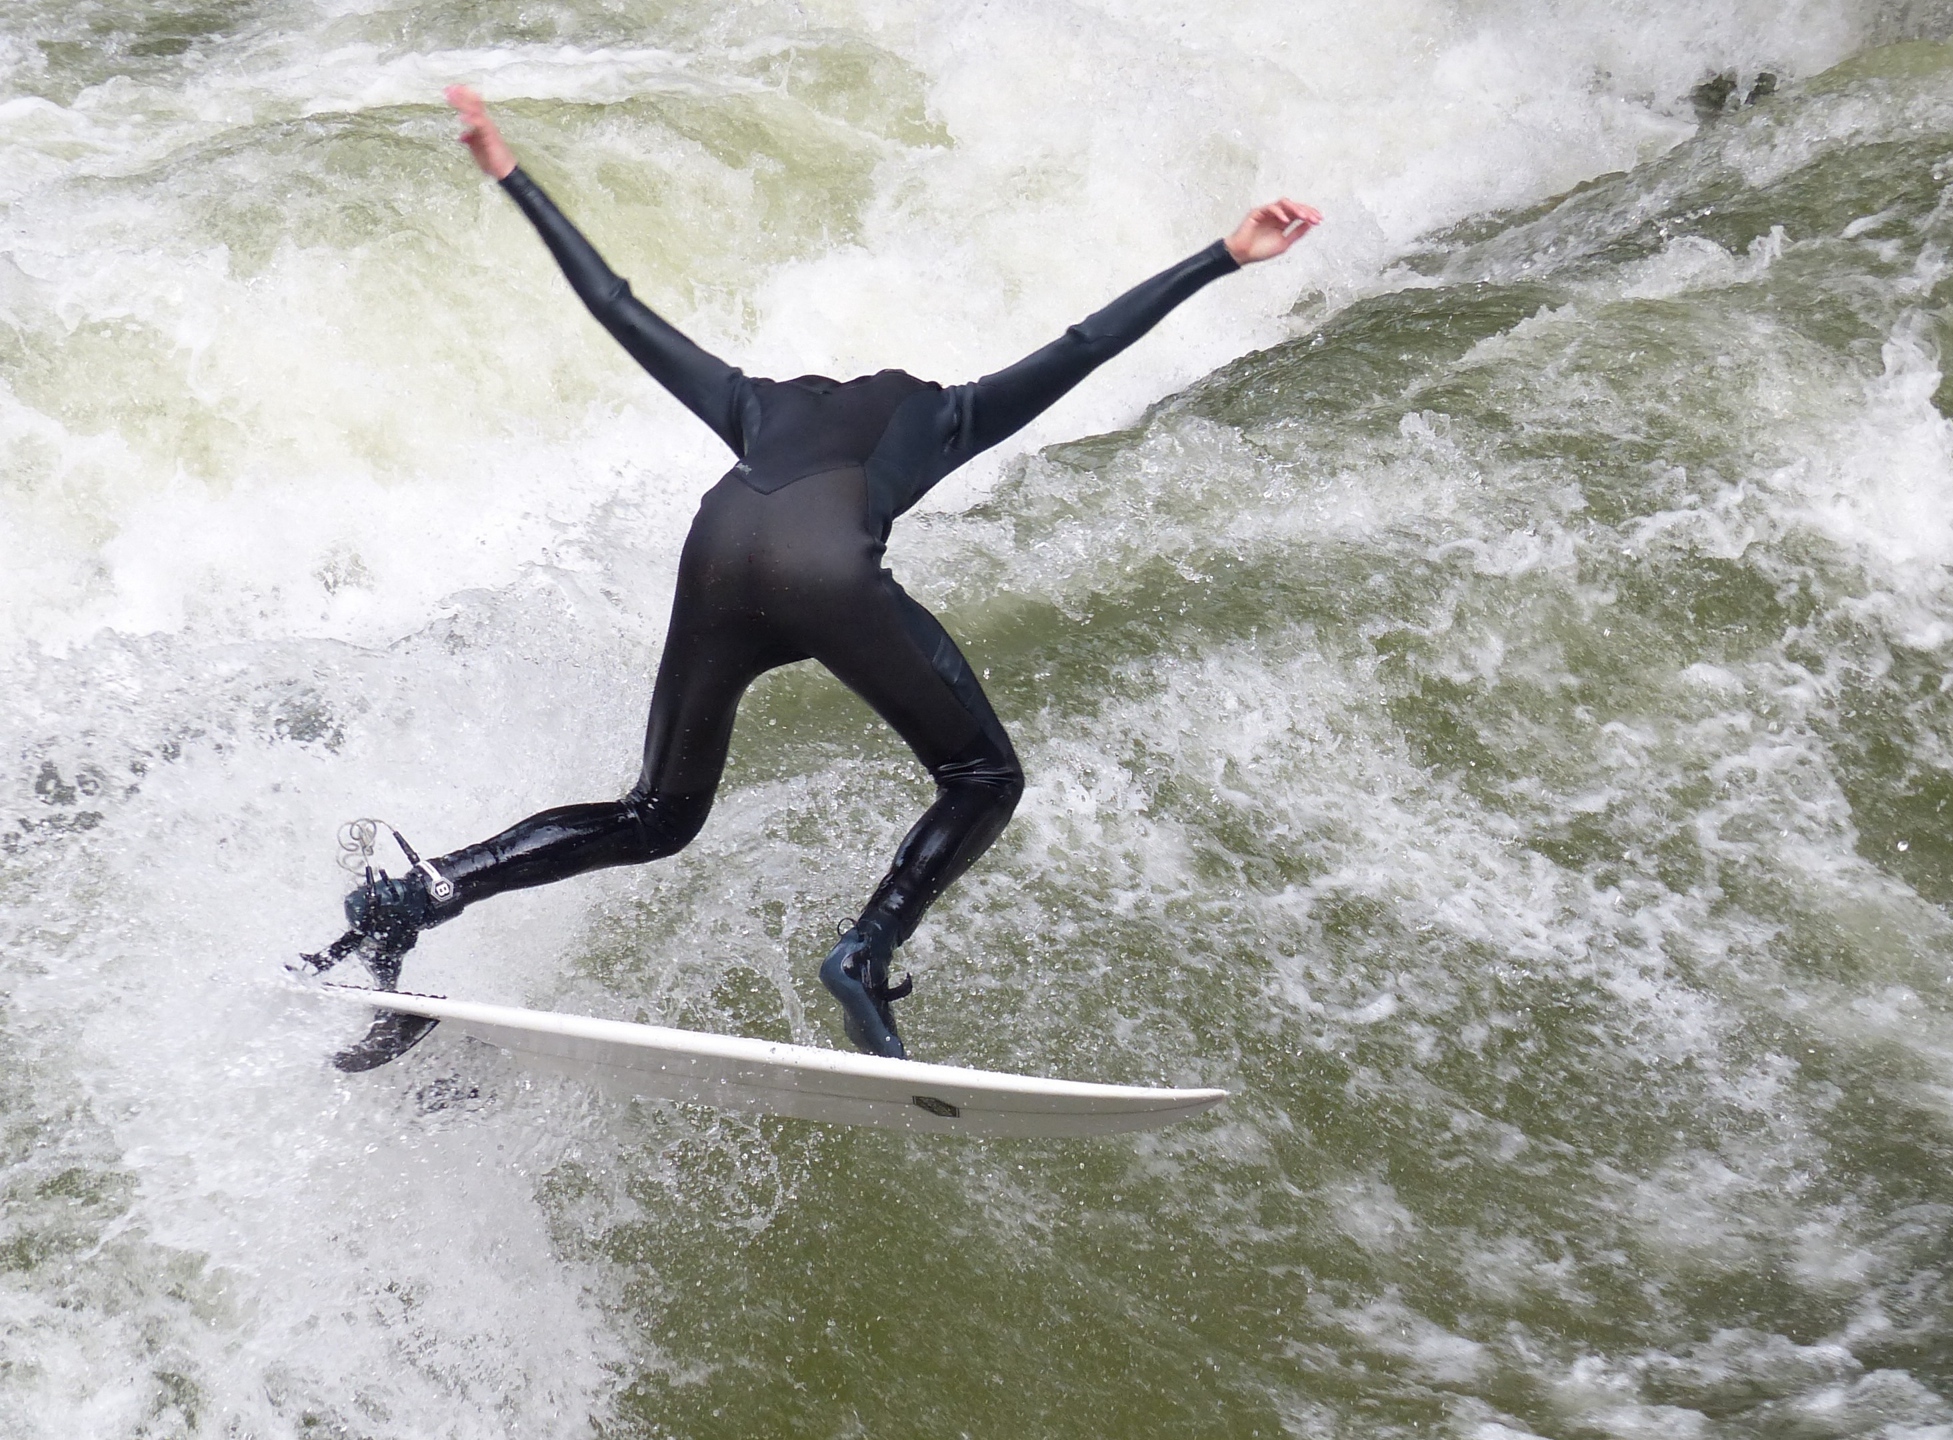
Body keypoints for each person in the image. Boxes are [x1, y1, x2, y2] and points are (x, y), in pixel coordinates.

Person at [306, 84, 1321, 1071]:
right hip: (822, 577)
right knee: (982, 778)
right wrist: (1227, 254)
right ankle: (864, 953)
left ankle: (422, 892)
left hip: (713, 561)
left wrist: (511, 173)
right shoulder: (944, 410)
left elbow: (616, 305)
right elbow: (1087, 344)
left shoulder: (756, 405)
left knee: (656, 815)